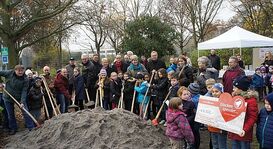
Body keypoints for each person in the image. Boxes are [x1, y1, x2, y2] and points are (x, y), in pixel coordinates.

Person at [0, 65, 34, 135]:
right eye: (19, 71)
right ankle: (13, 128)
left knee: (25, 111)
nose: (20, 72)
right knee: (10, 114)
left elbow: (24, 91)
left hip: (19, 98)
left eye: (22, 70)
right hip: (8, 97)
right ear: (15, 70)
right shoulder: (9, 73)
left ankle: (31, 127)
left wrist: (22, 102)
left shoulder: (25, 79)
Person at [228, 75, 258, 149]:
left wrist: (244, 129)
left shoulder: (251, 101)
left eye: (235, 87)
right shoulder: (234, 97)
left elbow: (253, 117)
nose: (233, 89)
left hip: (244, 132)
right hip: (234, 129)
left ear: (241, 89)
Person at [208, 83, 228, 149]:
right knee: (215, 145)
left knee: (222, 145)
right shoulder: (210, 101)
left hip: (221, 128)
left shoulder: (225, 102)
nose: (214, 93)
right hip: (212, 127)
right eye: (213, 91)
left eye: (217, 91)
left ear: (221, 91)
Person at [188, 83, 201, 149]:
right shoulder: (200, 96)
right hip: (198, 118)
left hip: (194, 118)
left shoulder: (192, 100)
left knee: (194, 133)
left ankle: (194, 146)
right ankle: (196, 146)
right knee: (196, 132)